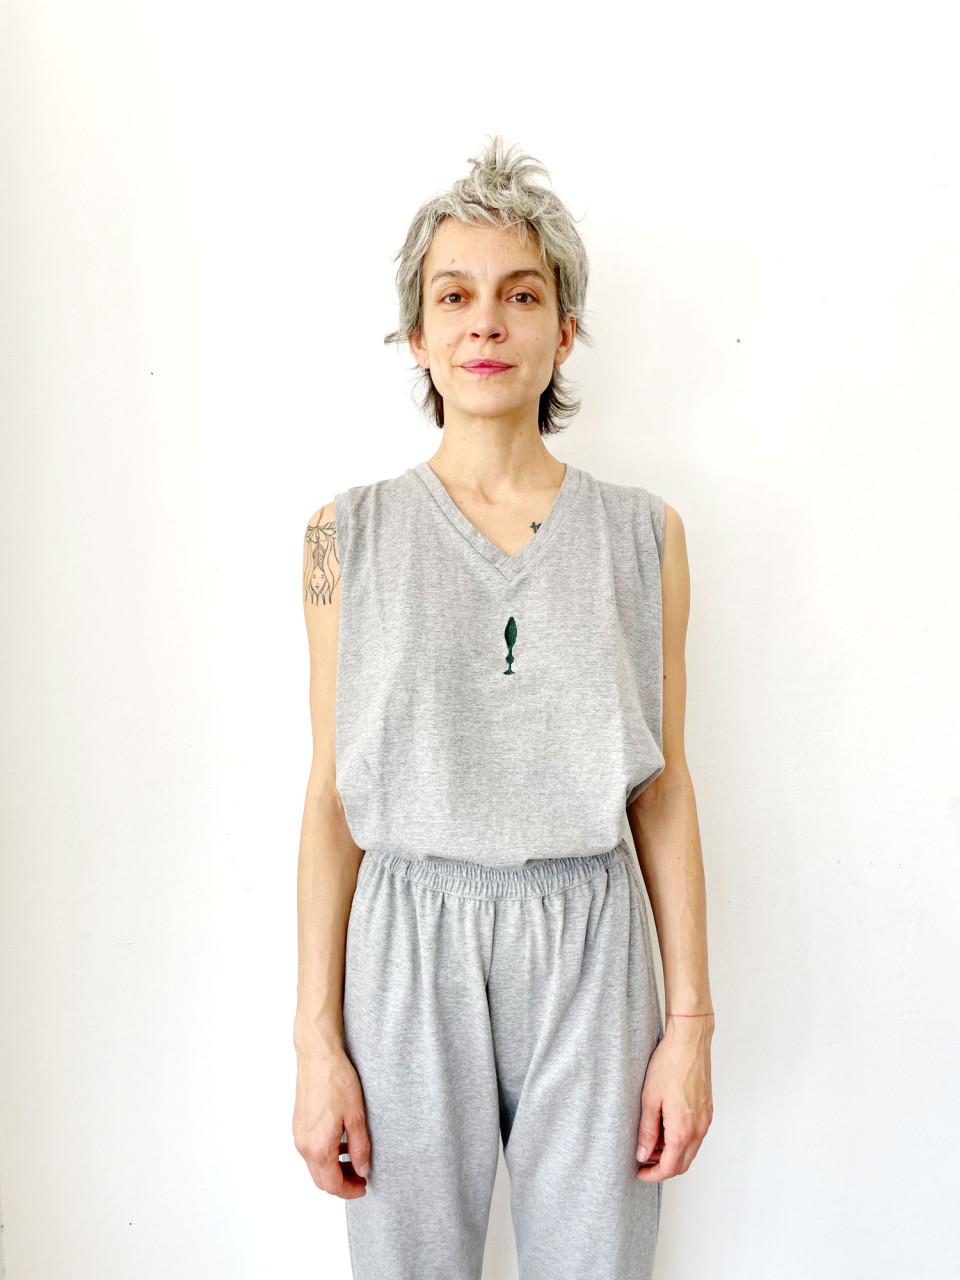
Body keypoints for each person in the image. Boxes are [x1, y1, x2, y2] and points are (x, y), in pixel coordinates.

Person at [293, 135, 714, 1280]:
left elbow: (663, 788)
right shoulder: (344, 539)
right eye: (456, 295)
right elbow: (331, 796)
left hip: (590, 944)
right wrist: (317, 1039)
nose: (487, 321)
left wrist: (690, 1024)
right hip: (406, 942)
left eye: (521, 294)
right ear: (418, 333)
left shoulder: (645, 536)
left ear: (563, 330)